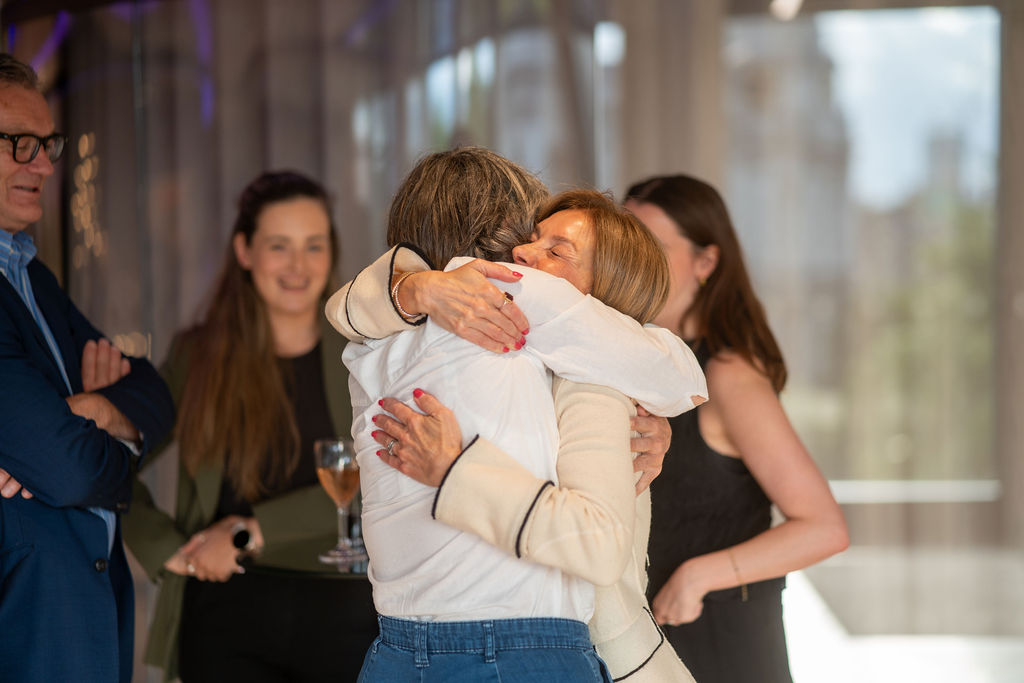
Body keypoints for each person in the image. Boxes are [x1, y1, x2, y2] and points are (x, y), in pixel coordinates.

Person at [326, 148, 705, 681]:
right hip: (512, 649)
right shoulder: (508, 309)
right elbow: (681, 377)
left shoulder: (372, 344)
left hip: (398, 650)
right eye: (530, 235)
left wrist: (411, 285)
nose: (526, 253)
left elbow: (344, 309)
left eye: (555, 250)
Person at [121, 171, 377, 682]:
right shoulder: (198, 356)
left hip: (345, 608)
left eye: (314, 246)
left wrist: (250, 530)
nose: (298, 266)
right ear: (244, 251)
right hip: (224, 612)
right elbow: (113, 463)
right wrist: (167, 549)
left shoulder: (365, 353)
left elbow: (383, 476)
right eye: (279, 246)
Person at [623, 174, 850, 683]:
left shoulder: (728, 376)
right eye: (625, 242)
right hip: (649, 644)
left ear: (706, 262)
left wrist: (697, 576)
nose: (633, 260)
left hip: (719, 643)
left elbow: (824, 528)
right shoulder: (632, 361)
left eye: (653, 246)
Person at [0, 53, 175, 683]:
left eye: (47, 144)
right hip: (26, 622)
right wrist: (103, 445)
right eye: (20, 143)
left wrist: (97, 411)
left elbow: (154, 395)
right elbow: (68, 469)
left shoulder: (32, 276)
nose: (45, 165)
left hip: (82, 611)